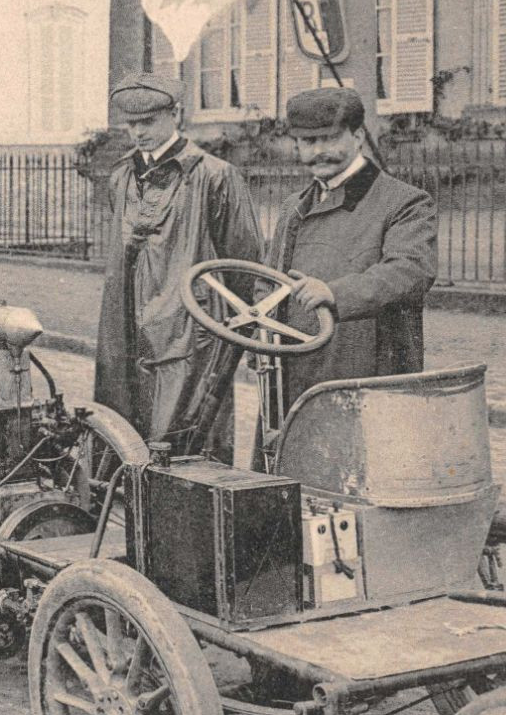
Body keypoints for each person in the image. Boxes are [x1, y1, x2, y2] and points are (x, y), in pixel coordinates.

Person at [92, 72, 263, 463]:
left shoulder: (214, 176)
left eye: (148, 122)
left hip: (188, 330)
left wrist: (242, 328)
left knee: (185, 442)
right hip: (125, 326)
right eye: (132, 124)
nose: (138, 132)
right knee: (125, 434)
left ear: (175, 115)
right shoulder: (122, 176)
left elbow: (244, 263)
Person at [264, 86, 437, 407]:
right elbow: (270, 279)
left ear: (358, 137)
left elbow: (411, 272)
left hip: (368, 375)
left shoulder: (405, 202)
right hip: (293, 372)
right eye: (308, 141)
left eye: (330, 138)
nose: (318, 151)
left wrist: (334, 293)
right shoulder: (293, 207)